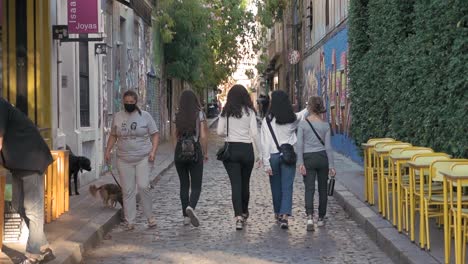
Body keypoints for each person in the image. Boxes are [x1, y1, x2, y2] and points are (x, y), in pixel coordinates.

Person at [0, 97, 55, 264]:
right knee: (17, 204)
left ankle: (33, 255)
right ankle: (43, 247)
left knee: (33, 209)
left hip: (31, 158)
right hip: (17, 161)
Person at [105, 90, 159, 231]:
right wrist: (107, 150)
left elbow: (155, 134)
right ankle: (130, 221)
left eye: (131, 102)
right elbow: (113, 135)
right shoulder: (117, 117)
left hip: (143, 157)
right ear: (123, 102)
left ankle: (150, 216)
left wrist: (153, 151)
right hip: (123, 159)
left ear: (136, 102)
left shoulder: (145, 116)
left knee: (143, 185)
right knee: (127, 190)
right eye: (126, 102)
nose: (129, 104)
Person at [260, 90, 308, 229]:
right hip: (288, 155)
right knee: (287, 186)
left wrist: (266, 163)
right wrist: (308, 106)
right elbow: (302, 114)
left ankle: (277, 213)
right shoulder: (291, 119)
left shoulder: (267, 121)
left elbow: (264, 143)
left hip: (273, 156)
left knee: (275, 186)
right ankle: (285, 216)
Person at [217, 85, 260, 230]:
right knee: (245, 182)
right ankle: (245, 211)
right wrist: (259, 154)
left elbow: (219, 131)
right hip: (247, 149)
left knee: (235, 184)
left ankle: (238, 218)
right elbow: (254, 133)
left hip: (231, 150)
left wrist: (229, 134)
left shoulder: (226, 112)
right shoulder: (250, 112)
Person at [297, 96, 336, 231]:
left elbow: (300, 145)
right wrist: (331, 166)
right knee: (323, 189)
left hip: (308, 158)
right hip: (322, 158)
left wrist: (300, 162)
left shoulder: (303, 124)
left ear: (310, 107)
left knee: (309, 188)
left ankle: (309, 217)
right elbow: (328, 147)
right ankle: (320, 218)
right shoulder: (325, 125)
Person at [172, 90, 208, 227]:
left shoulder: (177, 115)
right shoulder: (200, 114)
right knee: (196, 185)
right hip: (195, 151)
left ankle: (185, 217)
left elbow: (174, 136)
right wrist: (205, 152)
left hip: (180, 152)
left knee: (184, 185)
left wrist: (176, 151)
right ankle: (191, 207)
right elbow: (203, 136)